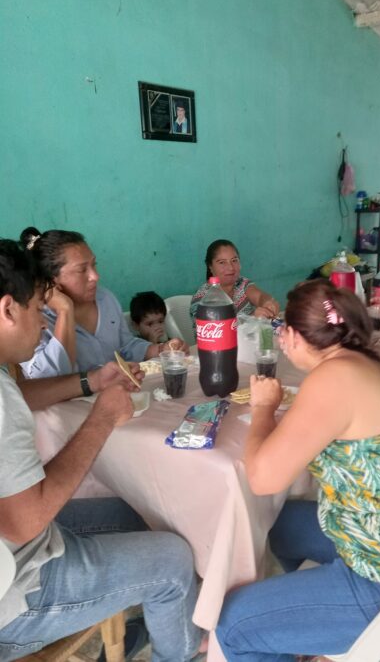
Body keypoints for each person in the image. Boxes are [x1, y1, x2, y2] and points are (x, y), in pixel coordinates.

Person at [216, 279, 380, 661]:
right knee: (277, 525)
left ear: (297, 337)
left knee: (233, 627)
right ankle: (306, 635)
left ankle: (296, 633)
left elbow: (262, 477)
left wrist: (263, 408)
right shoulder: (379, 357)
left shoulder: (333, 377)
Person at [0, 239, 202, 661]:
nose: (42, 323)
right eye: (39, 309)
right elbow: (25, 522)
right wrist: (102, 419)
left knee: (142, 512)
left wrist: (92, 381)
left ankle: (152, 622)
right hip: (14, 594)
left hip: (16, 549)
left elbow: (23, 392)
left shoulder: (7, 382)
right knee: (174, 561)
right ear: (7, 310)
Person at [19, 228, 185, 379]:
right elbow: (49, 377)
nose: (95, 276)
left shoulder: (105, 299)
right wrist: (65, 311)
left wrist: (160, 350)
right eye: (82, 270)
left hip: (113, 396)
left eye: (94, 265)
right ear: (53, 280)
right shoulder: (35, 317)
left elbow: (125, 346)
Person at [190, 239, 280, 327]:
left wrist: (268, 303)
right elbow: (217, 332)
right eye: (222, 262)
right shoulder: (202, 299)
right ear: (210, 267)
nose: (230, 267)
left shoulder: (241, 283)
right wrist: (252, 319)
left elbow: (260, 296)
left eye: (234, 260)